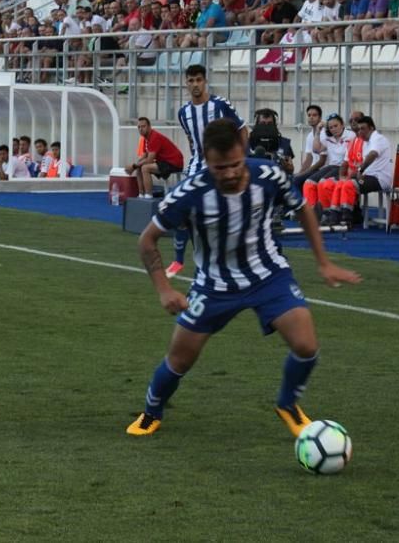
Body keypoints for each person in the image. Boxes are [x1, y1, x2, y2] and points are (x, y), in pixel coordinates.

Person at [126, 119, 362, 437]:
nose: (230, 173)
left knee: (306, 345)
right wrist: (164, 289)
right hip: (214, 286)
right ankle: (151, 412)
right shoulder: (190, 192)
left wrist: (324, 262)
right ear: (207, 161)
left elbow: (304, 207)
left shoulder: (268, 175)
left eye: (235, 164)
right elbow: (147, 239)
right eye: (219, 167)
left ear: (243, 150)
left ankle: (288, 404)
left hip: (269, 276)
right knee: (179, 360)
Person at [165, 64, 248, 279]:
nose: (195, 84)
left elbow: (241, 129)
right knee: (182, 211)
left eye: (198, 80)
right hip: (197, 167)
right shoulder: (184, 112)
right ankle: (178, 260)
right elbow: (193, 141)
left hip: (223, 168)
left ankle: (229, 259)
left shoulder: (220, 105)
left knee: (223, 215)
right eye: (191, 81)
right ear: (186, 83)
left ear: (205, 81)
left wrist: (242, 159)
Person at [329, 116, 393, 226]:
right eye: (358, 129)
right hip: (368, 176)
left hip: (379, 178)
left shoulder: (378, 138)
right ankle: (335, 214)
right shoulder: (366, 143)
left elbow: (373, 155)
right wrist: (356, 173)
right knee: (340, 183)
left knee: (349, 185)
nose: (360, 132)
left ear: (371, 128)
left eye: (363, 129)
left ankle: (347, 218)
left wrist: (360, 170)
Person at [124, 117, 184, 198]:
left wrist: (133, 166)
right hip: (164, 162)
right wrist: (134, 166)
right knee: (139, 167)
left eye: (143, 126)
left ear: (149, 127)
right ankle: (141, 194)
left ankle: (148, 195)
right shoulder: (146, 139)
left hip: (174, 163)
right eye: (139, 127)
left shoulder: (154, 137)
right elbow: (144, 156)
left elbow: (149, 160)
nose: (141, 129)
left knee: (145, 168)